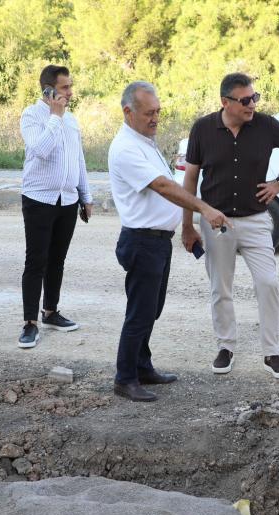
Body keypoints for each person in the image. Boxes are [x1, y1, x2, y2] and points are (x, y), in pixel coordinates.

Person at [108, 81, 229, 402]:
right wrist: (203, 207)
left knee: (151, 310)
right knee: (140, 312)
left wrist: (187, 226)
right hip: (141, 241)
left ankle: (142, 366)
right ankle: (125, 378)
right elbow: (163, 186)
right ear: (128, 112)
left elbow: (170, 183)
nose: (155, 118)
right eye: (149, 113)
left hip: (157, 241)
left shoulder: (144, 142)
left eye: (158, 112)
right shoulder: (125, 147)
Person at [181, 73, 279, 379]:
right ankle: (226, 347)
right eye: (245, 99)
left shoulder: (265, 125)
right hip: (216, 221)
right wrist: (187, 224)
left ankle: (271, 352)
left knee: (268, 283)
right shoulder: (202, 128)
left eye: (255, 97)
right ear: (225, 102)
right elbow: (190, 178)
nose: (252, 104)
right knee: (220, 288)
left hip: (256, 220)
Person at [16, 64, 93, 349]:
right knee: (36, 261)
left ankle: (50, 312)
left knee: (57, 260)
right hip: (39, 198)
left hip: (68, 200)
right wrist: (55, 118)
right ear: (48, 90)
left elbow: (79, 160)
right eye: (64, 88)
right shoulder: (32, 115)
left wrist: (86, 196)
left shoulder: (72, 120)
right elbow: (40, 149)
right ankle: (29, 323)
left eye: (70, 87)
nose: (70, 93)